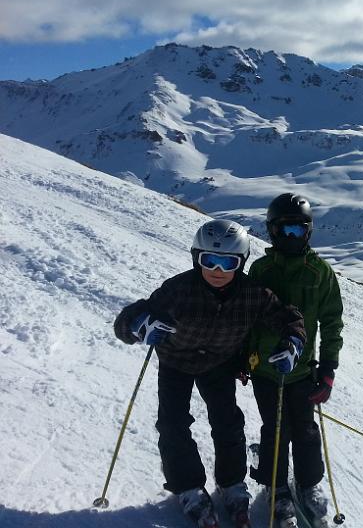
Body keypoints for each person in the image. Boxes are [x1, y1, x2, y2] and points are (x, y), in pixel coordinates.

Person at [113, 219, 305, 528]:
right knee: (173, 423)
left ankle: (232, 484)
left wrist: (293, 342)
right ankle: (188, 487)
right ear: (196, 258)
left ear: (240, 263)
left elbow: (289, 317)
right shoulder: (178, 290)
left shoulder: (252, 293)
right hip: (176, 361)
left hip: (219, 362)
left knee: (228, 421)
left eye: (227, 262)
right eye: (209, 260)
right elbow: (128, 319)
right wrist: (139, 326)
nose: (217, 270)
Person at [247, 193, 344, 528]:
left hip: (303, 370)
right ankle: (276, 489)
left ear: (309, 231)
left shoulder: (319, 272)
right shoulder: (261, 269)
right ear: (273, 232)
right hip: (265, 371)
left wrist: (328, 371)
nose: (293, 237)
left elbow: (332, 322)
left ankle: (308, 484)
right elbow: (246, 316)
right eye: (286, 231)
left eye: (299, 230)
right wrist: (244, 359)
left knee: (304, 429)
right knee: (276, 429)